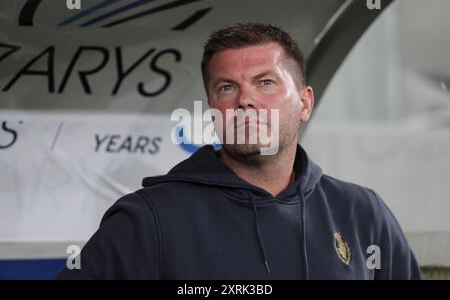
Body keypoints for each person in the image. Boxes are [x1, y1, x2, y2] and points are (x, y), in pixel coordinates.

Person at [56, 23, 421, 279]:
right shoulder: (149, 219)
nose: (246, 100)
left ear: (305, 103)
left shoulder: (362, 214)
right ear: (213, 106)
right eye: (227, 87)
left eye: (266, 83)